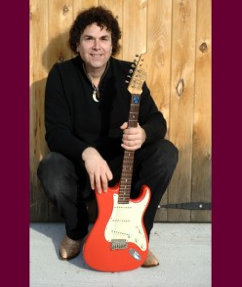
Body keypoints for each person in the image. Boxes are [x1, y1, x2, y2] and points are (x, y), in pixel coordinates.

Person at [37, 5, 178, 268]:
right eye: (88, 38)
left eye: (104, 39)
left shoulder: (130, 75)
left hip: (123, 170)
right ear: (77, 44)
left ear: (113, 45)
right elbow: (55, 133)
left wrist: (144, 133)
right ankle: (76, 232)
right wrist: (87, 154)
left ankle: (138, 235)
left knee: (166, 152)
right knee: (51, 167)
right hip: (82, 169)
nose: (96, 46)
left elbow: (158, 121)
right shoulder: (62, 75)